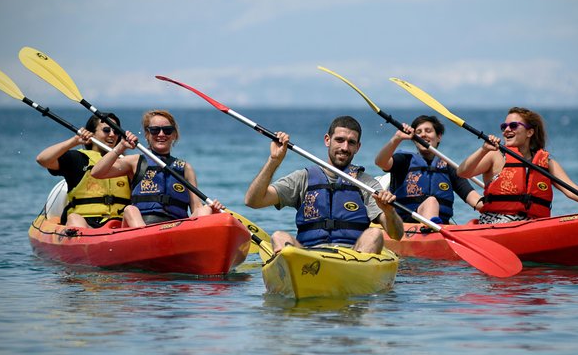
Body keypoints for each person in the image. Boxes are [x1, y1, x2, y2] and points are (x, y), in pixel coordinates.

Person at [244, 115, 403, 254]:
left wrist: (389, 212)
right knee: (279, 236)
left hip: (353, 259)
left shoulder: (367, 184)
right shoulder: (303, 178)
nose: (344, 147)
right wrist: (274, 161)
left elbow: (397, 234)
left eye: (351, 142)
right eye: (339, 140)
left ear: (357, 147)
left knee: (374, 234)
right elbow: (253, 201)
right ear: (327, 140)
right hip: (309, 257)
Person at [457, 106, 578, 224]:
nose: (506, 130)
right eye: (504, 126)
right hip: (496, 223)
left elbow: (571, 189)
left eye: (513, 125)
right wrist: (483, 150)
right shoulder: (495, 155)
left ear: (529, 132)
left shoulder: (547, 163)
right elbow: (462, 173)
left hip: (532, 224)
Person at [91, 109, 222, 227]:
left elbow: (196, 208)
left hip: (176, 226)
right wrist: (121, 147)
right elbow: (97, 172)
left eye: (167, 130)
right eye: (154, 130)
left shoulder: (185, 168)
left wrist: (213, 212)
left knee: (205, 209)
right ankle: (145, 241)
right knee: (130, 210)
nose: (161, 134)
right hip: (140, 225)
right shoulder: (136, 161)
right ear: (147, 134)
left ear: (174, 135)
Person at [374, 115, 483, 225]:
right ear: (414, 139)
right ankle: (431, 228)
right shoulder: (404, 160)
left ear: (439, 136)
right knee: (431, 201)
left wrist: (495, 204)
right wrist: (397, 138)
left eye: (428, 131)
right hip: (408, 225)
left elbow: (474, 199)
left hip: (441, 226)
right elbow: (380, 162)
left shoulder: (449, 167)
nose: (423, 134)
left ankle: (434, 227)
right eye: (419, 132)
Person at [36, 113, 131, 228]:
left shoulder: (126, 163)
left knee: (132, 210)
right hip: (85, 223)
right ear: (92, 134)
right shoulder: (77, 159)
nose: (112, 134)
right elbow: (43, 159)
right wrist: (74, 141)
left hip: (119, 224)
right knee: (74, 218)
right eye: (106, 130)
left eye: (116, 131)